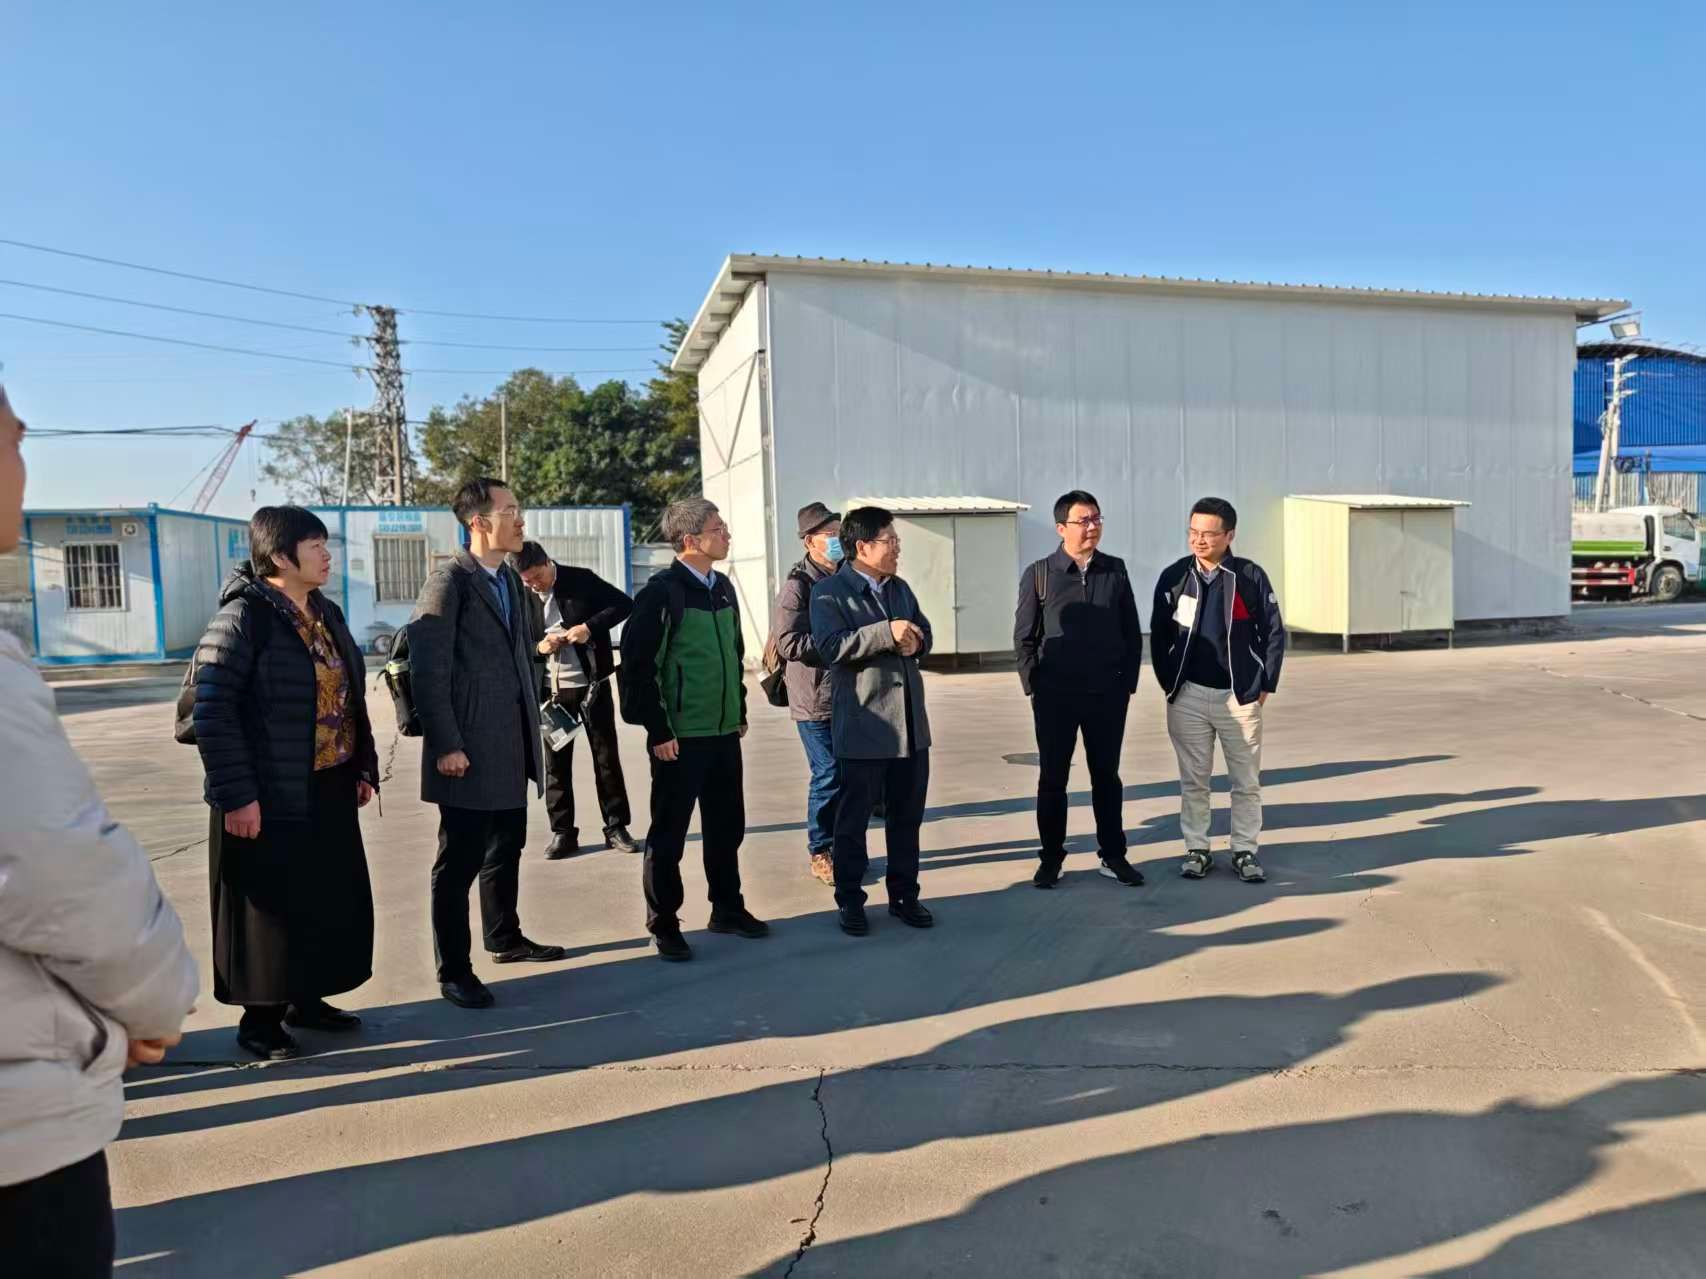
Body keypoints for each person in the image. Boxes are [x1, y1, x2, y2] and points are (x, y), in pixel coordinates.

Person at [0, 381, 199, 1277]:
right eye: (14, 442)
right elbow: (55, 868)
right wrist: (152, 1005)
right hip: (20, 1139)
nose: (22, 468)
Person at [192, 506, 381, 1059]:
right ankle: (261, 1021)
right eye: (315, 546)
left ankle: (307, 998)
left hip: (327, 783)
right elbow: (212, 711)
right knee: (269, 911)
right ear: (279, 556)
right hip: (265, 790)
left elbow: (349, 696)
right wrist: (237, 796)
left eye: (326, 544)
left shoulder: (326, 612)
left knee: (324, 898)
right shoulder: (243, 617)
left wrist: (362, 765)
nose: (327, 556)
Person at [411, 479, 566, 1009]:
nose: (520, 520)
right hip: (468, 749)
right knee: (458, 863)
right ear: (478, 522)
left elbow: (522, 656)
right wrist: (446, 744)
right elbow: (428, 672)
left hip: (512, 742)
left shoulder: (511, 583)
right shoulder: (449, 583)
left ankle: (504, 937)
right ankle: (454, 970)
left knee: (506, 846)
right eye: (510, 511)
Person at [618, 498, 767, 961]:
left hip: (722, 732)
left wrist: (738, 709)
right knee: (670, 834)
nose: (727, 535)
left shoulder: (722, 587)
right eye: (717, 529)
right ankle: (664, 922)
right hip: (679, 738)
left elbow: (734, 653)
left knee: (726, 827)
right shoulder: (662, 593)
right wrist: (658, 730)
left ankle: (727, 908)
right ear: (689, 540)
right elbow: (638, 668)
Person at [810, 505, 936, 937]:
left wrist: (916, 642)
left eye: (896, 540)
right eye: (890, 541)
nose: (897, 548)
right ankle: (850, 900)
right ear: (863, 547)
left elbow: (923, 632)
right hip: (865, 725)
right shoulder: (829, 593)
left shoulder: (899, 588)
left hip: (910, 728)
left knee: (906, 818)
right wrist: (886, 633)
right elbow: (830, 646)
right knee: (853, 821)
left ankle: (904, 896)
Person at [1150, 496, 1285, 883]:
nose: (1199, 540)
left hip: (1238, 697)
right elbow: (1159, 634)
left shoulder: (1249, 576)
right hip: (1188, 696)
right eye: (1193, 532)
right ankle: (1197, 849)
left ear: (1229, 535)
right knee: (1194, 780)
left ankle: (1244, 850)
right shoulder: (1175, 576)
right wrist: (1170, 682)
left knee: (1245, 782)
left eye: (1208, 534)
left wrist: (1263, 685)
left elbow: (1274, 632)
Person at [1013, 490, 1144, 890]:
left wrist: (1126, 684)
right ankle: (1051, 858)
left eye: (1097, 519)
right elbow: (1024, 637)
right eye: (1083, 520)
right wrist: (1035, 686)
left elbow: (1131, 632)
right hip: (1056, 698)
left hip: (1107, 696)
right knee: (1053, 779)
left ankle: (1113, 854)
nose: (1092, 527)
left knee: (1106, 777)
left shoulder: (1115, 570)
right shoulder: (1040, 574)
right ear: (1061, 528)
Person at [512, 540, 640, 859]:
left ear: (547, 562)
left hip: (592, 684)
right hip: (551, 691)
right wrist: (538, 648)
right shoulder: (520, 593)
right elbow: (514, 640)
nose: (534, 584)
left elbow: (624, 604)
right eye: (527, 581)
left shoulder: (580, 579)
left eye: (537, 576)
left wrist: (588, 627)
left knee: (606, 757)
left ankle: (616, 827)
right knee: (555, 763)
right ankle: (563, 832)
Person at [768, 501, 845, 885]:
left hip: (850, 696)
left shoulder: (849, 577)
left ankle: (844, 846)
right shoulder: (797, 587)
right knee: (828, 773)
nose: (837, 541)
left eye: (839, 533)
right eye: (829, 535)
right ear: (809, 541)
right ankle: (820, 850)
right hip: (813, 699)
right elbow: (788, 643)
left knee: (850, 775)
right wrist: (838, 642)